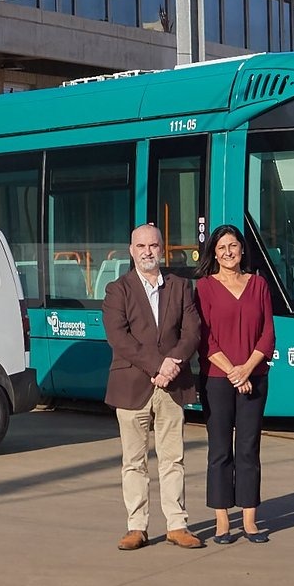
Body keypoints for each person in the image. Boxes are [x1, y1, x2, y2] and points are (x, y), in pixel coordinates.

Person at [103, 223, 203, 550]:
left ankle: (177, 524)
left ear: (162, 249)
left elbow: (192, 332)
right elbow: (119, 338)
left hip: (172, 386)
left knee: (172, 458)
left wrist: (172, 364)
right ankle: (136, 527)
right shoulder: (117, 290)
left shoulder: (180, 287)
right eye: (141, 246)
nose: (148, 251)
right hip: (133, 385)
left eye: (154, 245)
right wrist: (157, 365)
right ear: (131, 251)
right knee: (134, 461)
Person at [194, 224, 275, 544]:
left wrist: (247, 369)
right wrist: (232, 372)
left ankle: (251, 520)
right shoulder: (204, 287)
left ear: (243, 250)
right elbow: (205, 338)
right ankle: (222, 522)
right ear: (214, 252)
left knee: (248, 448)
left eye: (234, 246)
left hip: (254, 376)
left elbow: (267, 333)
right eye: (222, 247)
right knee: (219, 450)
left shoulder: (259, 285)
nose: (228, 252)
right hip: (217, 379)